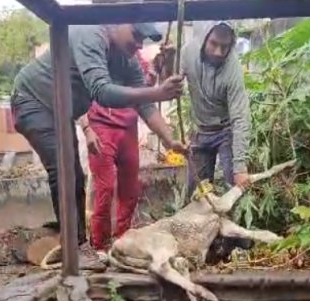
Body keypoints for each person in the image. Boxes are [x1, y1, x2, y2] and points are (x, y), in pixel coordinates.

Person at [12, 23, 187, 269]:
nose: (139, 44)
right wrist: (158, 93)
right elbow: (101, 91)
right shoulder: (90, 34)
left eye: (143, 39)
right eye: (136, 35)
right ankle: (75, 250)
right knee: (64, 171)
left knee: (74, 175)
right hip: (33, 100)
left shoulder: (128, 61)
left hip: (61, 111)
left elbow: (145, 106)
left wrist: (170, 140)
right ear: (117, 23)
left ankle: (76, 247)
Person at [79, 50, 155, 252]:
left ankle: (122, 241)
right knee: (105, 189)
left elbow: (145, 89)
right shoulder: (93, 53)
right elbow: (76, 94)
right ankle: (99, 245)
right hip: (101, 127)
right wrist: (87, 129)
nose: (136, 42)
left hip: (129, 128)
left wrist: (157, 71)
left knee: (129, 190)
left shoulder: (135, 57)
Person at [177, 22, 252, 197]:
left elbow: (240, 117)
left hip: (226, 131)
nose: (218, 52)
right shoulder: (188, 52)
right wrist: (166, 69)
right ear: (204, 39)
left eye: (225, 47)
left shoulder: (233, 69)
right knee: (197, 193)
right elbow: (172, 84)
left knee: (234, 188)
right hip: (200, 131)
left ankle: (231, 221)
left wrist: (240, 167)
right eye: (213, 44)